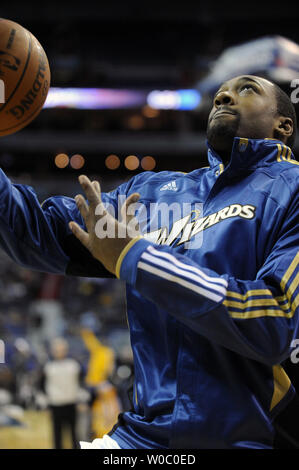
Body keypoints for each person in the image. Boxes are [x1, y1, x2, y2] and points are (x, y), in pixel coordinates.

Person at [0, 74, 298, 449]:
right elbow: (31, 232)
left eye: (247, 89)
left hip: (245, 438)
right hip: (139, 438)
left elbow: (274, 321)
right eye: (221, 91)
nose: (223, 94)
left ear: (283, 126)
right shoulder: (152, 194)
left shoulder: (292, 189)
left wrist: (136, 257)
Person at [41, 337, 81, 449]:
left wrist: (81, 401)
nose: (59, 352)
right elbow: (42, 387)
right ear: (52, 351)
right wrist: (46, 405)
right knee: (57, 435)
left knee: (74, 434)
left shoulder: (73, 365)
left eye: (62, 349)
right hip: (55, 404)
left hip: (71, 403)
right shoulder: (48, 367)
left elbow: (80, 384)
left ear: (66, 350)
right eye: (57, 350)